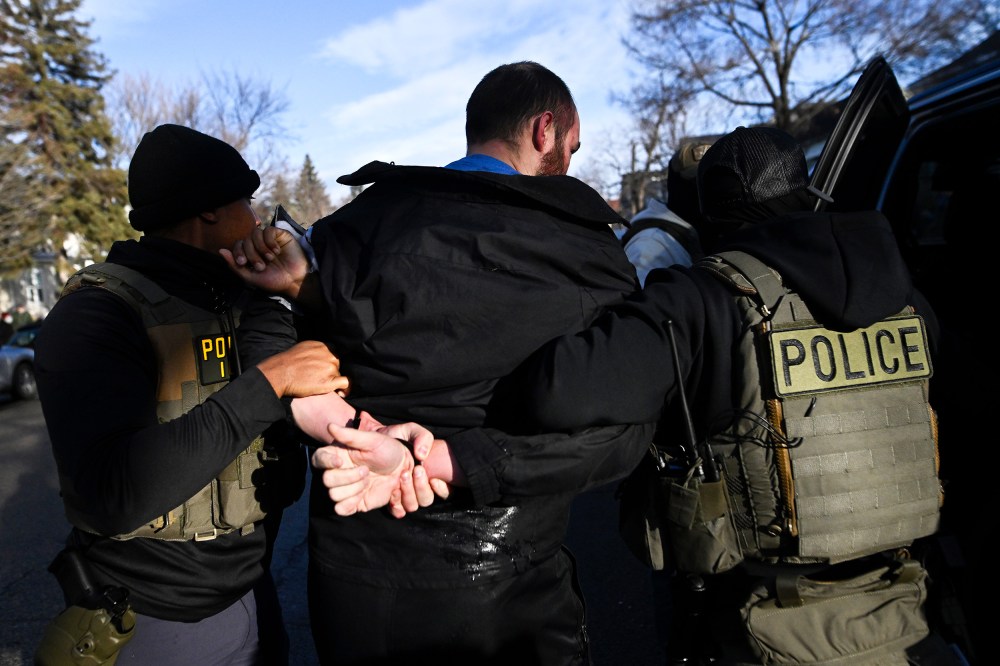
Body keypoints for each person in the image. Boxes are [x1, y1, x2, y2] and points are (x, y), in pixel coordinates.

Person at [225, 61, 652, 665]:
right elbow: (623, 428)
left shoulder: (352, 228)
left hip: (354, 587)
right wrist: (456, 461)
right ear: (545, 130)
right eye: (572, 147)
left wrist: (308, 301)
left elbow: (287, 350)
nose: (571, 164)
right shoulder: (584, 250)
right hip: (508, 590)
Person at [486, 126, 943, 665]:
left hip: (756, 621)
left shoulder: (701, 297)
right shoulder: (907, 298)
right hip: (900, 611)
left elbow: (559, 389)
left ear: (710, 213)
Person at [33, 123, 349, 666]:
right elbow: (112, 493)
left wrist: (294, 292)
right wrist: (269, 382)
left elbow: (322, 376)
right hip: (155, 619)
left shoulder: (236, 296)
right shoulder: (98, 312)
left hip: (250, 590)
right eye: (246, 202)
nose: (255, 219)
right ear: (208, 211)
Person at [620, 139, 714, 285]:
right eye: (697, 181)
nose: (706, 189)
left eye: (712, 180)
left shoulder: (699, 232)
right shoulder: (650, 245)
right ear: (676, 185)